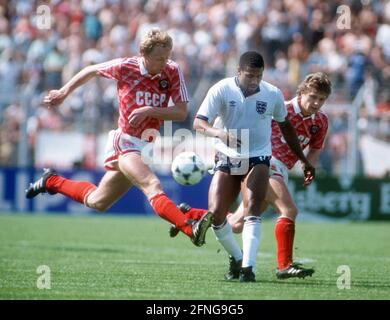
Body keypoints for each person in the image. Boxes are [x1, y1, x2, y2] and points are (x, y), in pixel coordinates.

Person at [25, 28, 212, 247]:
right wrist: (64, 93)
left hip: (146, 145)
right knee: (153, 185)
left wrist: (149, 110)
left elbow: (181, 112)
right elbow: (91, 70)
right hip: (125, 141)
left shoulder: (171, 70)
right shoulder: (126, 67)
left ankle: (52, 181)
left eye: (167, 57)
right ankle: (190, 229)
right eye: (159, 58)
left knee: (98, 201)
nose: (164, 62)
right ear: (144, 55)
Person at [170, 72, 331, 279]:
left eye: (321, 99)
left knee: (236, 225)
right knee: (289, 210)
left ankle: (189, 216)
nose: (316, 103)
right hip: (266, 164)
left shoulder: (321, 121)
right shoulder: (281, 107)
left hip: (283, 170)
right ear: (302, 93)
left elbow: (315, 149)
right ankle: (284, 265)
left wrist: (309, 166)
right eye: (313, 97)